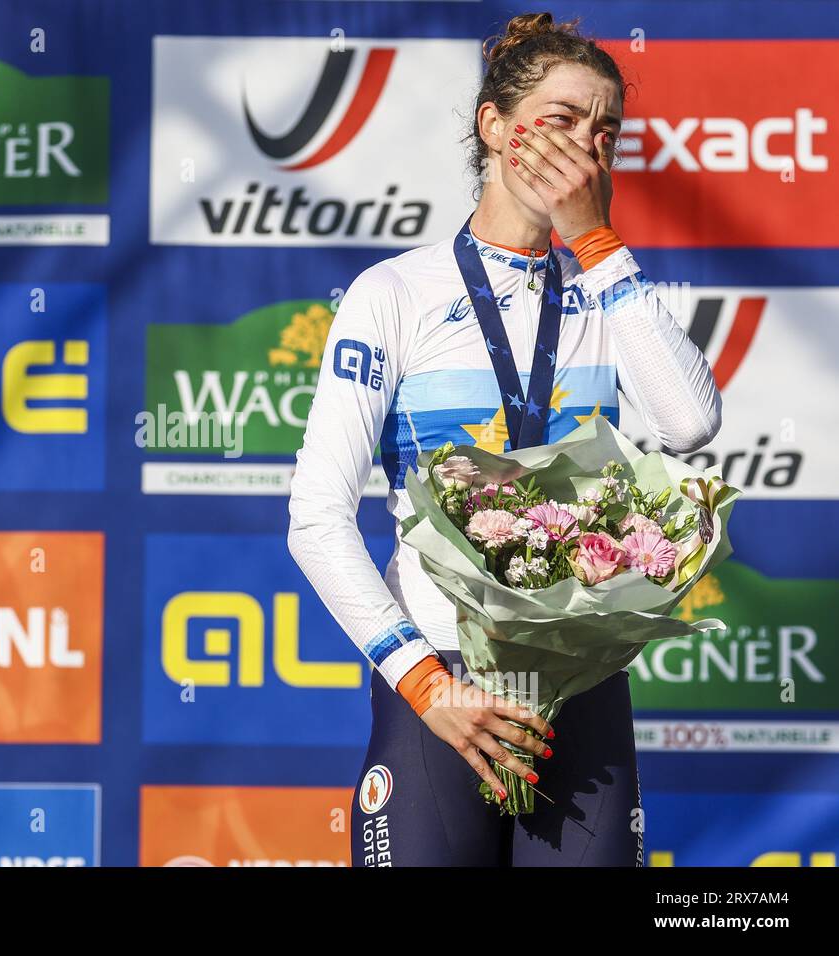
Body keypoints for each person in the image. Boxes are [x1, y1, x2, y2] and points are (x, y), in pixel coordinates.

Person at [288, 13, 722, 866]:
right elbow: (316, 515)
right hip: (437, 681)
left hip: (581, 684)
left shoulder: (603, 289)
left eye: (606, 132)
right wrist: (425, 683)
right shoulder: (394, 293)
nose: (584, 148)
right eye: (560, 120)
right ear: (494, 124)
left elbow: (690, 422)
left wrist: (596, 241)